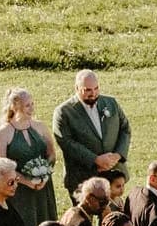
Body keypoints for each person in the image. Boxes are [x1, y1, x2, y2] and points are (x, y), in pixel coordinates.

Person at [0, 88, 60, 226]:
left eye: (32, 104)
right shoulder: (3, 133)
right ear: (15, 107)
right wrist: (27, 181)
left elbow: (51, 154)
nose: (32, 108)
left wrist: (44, 174)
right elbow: (0, 166)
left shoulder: (40, 126)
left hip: (43, 188)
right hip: (18, 191)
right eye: (27, 105)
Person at [53, 71, 130, 200]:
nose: (93, 93)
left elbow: (125, 129)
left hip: (113, 173)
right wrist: (95, 159)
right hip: (82, 176)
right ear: (77, 88)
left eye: (96, 88)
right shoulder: (64, 112)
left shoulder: (111, 103)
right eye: (87, 90)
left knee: (113, 215)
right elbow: (66, 142)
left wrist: (117, 155)